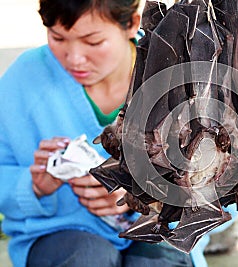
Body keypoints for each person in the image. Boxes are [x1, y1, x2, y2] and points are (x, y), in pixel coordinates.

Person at [0, 0, 197, 266]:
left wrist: (142, 198)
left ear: (131, 24)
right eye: (57, 37)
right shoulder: (24, 79)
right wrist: (32, 185)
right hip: (59, 238)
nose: (74, 58)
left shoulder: (179, 78)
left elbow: (223, 196)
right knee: (84, 258)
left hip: (161, 236)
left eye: (92, 42)